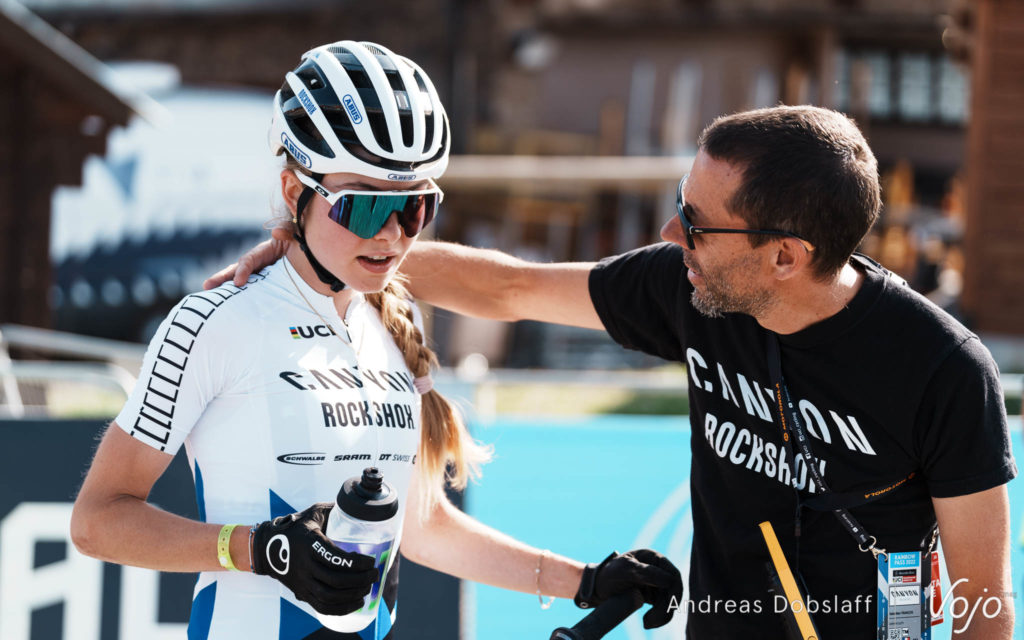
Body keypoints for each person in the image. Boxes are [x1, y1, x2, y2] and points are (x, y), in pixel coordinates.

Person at [215, 104, 1017, 639]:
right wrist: (326, 249)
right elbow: (512, 288)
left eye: (696, 222)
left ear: (785, 256)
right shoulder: (688, 284)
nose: (670, 231)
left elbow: (986, 606)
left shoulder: (945, 371)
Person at [71, 40, 683, 640]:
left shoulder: (393, 320)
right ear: (294, 193)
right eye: (364, 209)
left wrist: (586, 581)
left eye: (414, 209)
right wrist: (259, 548)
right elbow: (97, 521)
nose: (392, 235)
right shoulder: (212, 323)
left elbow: (424, 527)